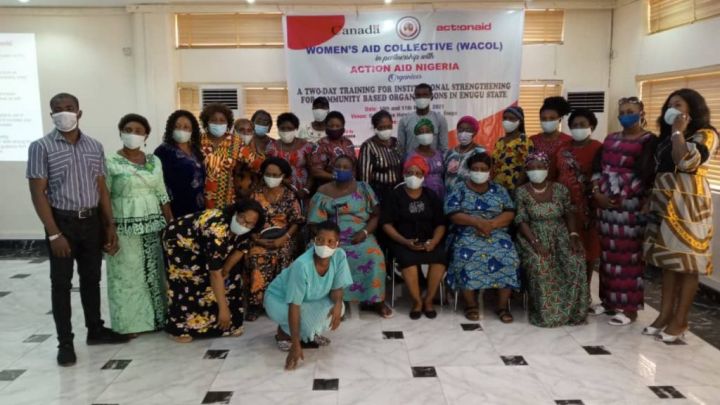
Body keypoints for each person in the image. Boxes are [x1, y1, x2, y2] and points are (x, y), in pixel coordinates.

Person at [27, 93, 128, 366]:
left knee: (91, 279)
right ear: (51, 115)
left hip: (91, 221)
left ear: (79, 112)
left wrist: (110, 225)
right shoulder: (41, 147)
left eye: (69, 108)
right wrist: (54, 233)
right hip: (62, 222)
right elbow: (38, 194)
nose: (64, 113)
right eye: (57, 110)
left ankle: (95, 330)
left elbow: (101, 188)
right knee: (61, 285)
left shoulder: (94, 146)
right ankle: (65, 343)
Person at [643, 89, 718, 342]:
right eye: (669, 105)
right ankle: (664, 315)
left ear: (692, 109)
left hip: (689, 207)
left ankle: (681, 320)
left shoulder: (706, 134)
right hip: (665, 204)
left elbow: (685, 161)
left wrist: (678, 131)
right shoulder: (665, 138)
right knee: (668, 264)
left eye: (678, 104)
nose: (671, 109)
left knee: (687, 265)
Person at [106, 114, 173, 336]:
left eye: (138, 131)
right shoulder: (110, 162)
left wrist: (170, 225)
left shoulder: (154, 161)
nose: (132, 134)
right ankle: (129, 324)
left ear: (146, 136)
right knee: (126, 275)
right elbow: (103, 197)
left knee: (154, 272)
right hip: (123, 227)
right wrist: (107, 229)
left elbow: (162, 193)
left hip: (154, 225)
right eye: (128, 129)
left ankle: (158, 319)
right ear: (120, 132)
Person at [162, 199, 265, 342]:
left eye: (249, 224)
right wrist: (223, 309)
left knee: (232, 278)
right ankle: (179, 328)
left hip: (210, 244)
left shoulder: (249, 229)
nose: (243, 225)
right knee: (190, 281)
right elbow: (215, 274)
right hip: (181, 243)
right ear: (235, 213)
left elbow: (242, 248)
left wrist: (227, 269)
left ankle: (230, 324)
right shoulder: (216, 229)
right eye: (242, 219)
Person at [592, 96, 656, 326]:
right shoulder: (610, 139)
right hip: (605, 205)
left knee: (628, 259)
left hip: (631, 207)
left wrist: (621, 196)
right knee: (608, 257)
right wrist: (597, 193)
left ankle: (629, 309)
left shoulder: (649, 141)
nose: (626, 115)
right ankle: (610, 302)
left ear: (641, 112)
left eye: (631, 110)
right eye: (622, 111)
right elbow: (599, 168)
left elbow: (646, 174)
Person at [307, 155, 393, 318]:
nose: (341, 170)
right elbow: (314, 222)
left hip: (360, 234)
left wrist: (365, 232)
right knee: (320, 255)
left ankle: (376, 301)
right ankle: (336, 301)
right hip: (330, 236)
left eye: (346, 167)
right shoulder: (323, 191)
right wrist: (328, 239)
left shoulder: (364, 188)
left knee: (374, 256)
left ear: (353, 170)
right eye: (338, 166)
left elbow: (376, 215)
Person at [264, 221, 352, 370]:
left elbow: (337, 288)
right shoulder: (302, 265)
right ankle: (284, 334)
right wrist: (296, 346)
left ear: (337, 244)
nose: (324, 245)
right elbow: (294, 305)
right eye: (320, 240)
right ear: (314, 240)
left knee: (340, 309)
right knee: (308, 323)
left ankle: (310, 332)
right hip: (279, 299)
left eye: (330, 242)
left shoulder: (340, 256)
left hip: (311, 297)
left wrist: (337, 304)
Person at [445, 152, 520, 322]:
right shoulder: (459, 188)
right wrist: (477, 223)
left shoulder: (499, 189)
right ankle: (470, 304)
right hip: (466, 232)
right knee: (467, 256)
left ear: (490, 171)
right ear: (469, 170)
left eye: (483, 169)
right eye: (475, 169)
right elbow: (453, 213)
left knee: (508, 257)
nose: (479, 172)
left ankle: (502, 306)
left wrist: (491, 225)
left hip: (497, 232)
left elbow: (510, 212)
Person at [515, 152, 588, 327]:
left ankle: (573, 313)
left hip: (560, 233)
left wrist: (573, 235)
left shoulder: (560, 189)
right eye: (531, 168)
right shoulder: (521, 192)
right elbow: (521, 221)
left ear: (547, 168)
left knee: (575, 260)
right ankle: (548, 314)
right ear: (526, 170)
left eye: (540, 167)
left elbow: (569, 213)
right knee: (540, 263)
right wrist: (536, 243)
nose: (536, 171)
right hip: (532, 235)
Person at [381, 156, 446, 319]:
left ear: (424, 176)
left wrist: (434, 242)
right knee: (408, 260)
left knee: (440, 258)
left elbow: (440, 223)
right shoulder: (395, 195)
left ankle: (429, 300)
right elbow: (386, 224)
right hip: (402, 241)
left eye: (418, 173)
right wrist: (404, 241)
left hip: (429, 240)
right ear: (403, 174)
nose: (413, 176)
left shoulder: (430, 195)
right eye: (410, 172)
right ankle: (417, 302)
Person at [245, 157, 305, 321]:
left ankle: (279, 302)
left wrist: (284, 238)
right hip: (259, 237)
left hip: (284, 237)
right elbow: (246, 220)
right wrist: (256, 239)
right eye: (268, 174)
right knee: (257, 256)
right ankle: (256, 304)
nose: (271, 177)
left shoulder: (289, 195)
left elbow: (297, 221)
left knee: (284, 255)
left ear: (283, 176)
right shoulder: (255, 195)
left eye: (275, 174)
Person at [556, 108, 603, 313]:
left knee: (588, 251)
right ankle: (568, 291)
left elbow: (604, 174)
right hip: (564, 206)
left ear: (591, 127)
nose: (578, 128)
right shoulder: (562, 149)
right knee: (566, 248)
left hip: (589, 207)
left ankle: (585, 292)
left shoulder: (598, 148)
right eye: (574, 125)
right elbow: (554, 174)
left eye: (582, 125)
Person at [154, 110, 206, 217]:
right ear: (171, 128)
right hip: (175, 208)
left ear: (192, 130)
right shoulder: (163, 151)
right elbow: (160, 184)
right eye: (177, 126)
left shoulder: (196, 150)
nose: (181, 130)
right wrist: (167, 214)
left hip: (198, 208)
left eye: (186, 127)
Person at [200, 103, 241, 209]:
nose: (218, 123)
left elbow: (255, 162)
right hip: (199, 200)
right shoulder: (197, 141)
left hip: (226, 200)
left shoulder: (235, 141)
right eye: (213, 120)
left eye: (222, 120)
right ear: (206, 122)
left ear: (228, 123)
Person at [266, 112, 315, 202]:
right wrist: (284, 182)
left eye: (289, 128)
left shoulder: (306, 146)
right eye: (283, 128)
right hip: (279, 189)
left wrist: (306, 190)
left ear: (296, 129)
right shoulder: (271, 147)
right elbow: (269, 171)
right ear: (278, 129)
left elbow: (312, 171)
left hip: (302, 190)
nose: (286, 131)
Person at [357, 109, 403, 203]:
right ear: (375, 128)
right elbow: (364, 178)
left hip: (398, 191)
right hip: (378, 193)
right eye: (381, 127)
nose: (386, 130)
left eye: (388, 126)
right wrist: (370, 199)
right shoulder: (368, 146)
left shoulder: (396, 143)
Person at [397, 83, 449, 156]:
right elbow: (400, 148)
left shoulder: (440, 119)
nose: (421, 98)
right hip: (411, 164)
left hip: (433, 164)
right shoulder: (404, 120)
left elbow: (444, 148)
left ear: (431, 97)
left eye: (425, 95)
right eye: (418, 95)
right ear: (414, 98)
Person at [492, 106, 533, 194]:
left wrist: (516, 189)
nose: (507, 121)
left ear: (520, 121)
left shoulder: (524, 141)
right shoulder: (499, 141)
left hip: (514, 189)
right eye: (505, 118)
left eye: (511, 118)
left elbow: (525, 167)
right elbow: (494, 164)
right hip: (497, 188)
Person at [531, 97, 572, 181]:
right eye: (544, 119)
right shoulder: (532, 141)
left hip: (562, 188)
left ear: (559, 119)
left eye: (552, 118)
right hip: (536, 187)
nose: (547, 121)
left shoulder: (568, 141)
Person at [309, 111, 356, 185]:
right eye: (331, 126)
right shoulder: (320, 145)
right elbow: (315, 171)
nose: (334, 129)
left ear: (343, 127)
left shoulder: (348, 142)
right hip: (329, 188)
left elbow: (354, 164)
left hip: (350, 186)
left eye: (338, 126)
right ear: (326, 127)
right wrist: (336, 177)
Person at [406, 118, 445, 199]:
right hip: (422, 195)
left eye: (427, 131)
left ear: (433, 133)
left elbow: (443, 175)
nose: (425, 134)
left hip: (440, 193)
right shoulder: (411, 155)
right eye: (421, 132)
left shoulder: (439, 154)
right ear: (416, 135)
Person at [444, 115, 487, 190]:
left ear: (475, 132)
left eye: (468, 130)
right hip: (449, 195)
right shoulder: (449, 153)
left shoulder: (480, 152)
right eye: (460, 129)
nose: (463, 133)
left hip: (469, 195)